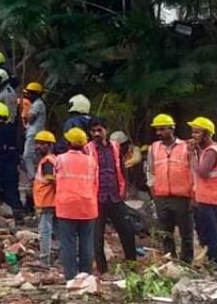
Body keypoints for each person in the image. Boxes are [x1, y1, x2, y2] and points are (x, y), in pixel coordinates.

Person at [88, 118, 137, 273]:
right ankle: (103, 271)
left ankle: (132, 267)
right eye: (93, 131)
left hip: (115, 196)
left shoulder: (115, 147)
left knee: (127, 233)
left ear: (106, 130)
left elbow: (121, 168)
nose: (96, 133)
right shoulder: (87, 149)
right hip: (97, 198)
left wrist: (124, 189)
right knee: (97, 238)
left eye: (99, 130)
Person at [146, 113, 194, 263]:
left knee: (186, 233)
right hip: (161, 196)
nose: (158, 133)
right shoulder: (153, 148)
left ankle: (186, 262)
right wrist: (153, 190)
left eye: (162, 129)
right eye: (157, 130)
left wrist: (193, 194)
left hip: (182, 196)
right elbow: (150, 170)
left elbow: (193, 170)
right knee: (165, 233)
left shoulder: (186, 147)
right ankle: (170, 261)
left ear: (172, 128)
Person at [56, 127, 98, 280]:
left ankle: (71, 278)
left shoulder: (60, 159)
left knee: (68, 244)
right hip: (88, 206)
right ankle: (86, 277)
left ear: (68, 142)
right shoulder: (91, 161)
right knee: (87, 243)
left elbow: (55, 178)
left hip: (66, 206)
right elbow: (95, 182)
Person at [188, 116, 217, 268]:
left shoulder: (212, 152)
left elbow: (202, 172)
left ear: (207, 134)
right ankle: (210, 262)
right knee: (206, 232)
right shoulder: (206, 150)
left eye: (197, 132)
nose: (193, 136)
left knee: (210, 234)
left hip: (210, 199)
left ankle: (215, 263)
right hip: (206, 198)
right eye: (193, 132)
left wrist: (192, 155)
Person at [31, 130, 58, 265]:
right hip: (52, 201)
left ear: (49, 145)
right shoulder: (52, 159)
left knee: (45, 232)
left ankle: (44, 260)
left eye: (41, 144)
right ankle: (62, 259)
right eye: (37, 143)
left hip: (46, 201)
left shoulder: (47, 162)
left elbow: (52, 180)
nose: (37, 146)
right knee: (59, 231)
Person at [21, 82, 48, 176]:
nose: (27, 95)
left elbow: (30, 119)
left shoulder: (37, 104)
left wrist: (25, 111)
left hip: (34, 133)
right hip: (35, 133)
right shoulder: (37, 103)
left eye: (29, 93)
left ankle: (32, 177)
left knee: (27, 155)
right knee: (35, 156)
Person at [110, 131, 145, 196]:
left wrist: (122, 165)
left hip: (136, 179)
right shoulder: (112, 153)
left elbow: (137, 159)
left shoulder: (134, 149)